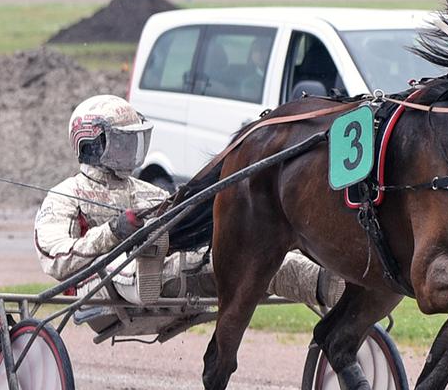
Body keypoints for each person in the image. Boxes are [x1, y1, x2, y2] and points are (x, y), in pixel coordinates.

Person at [35, 95, 339, 312]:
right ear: (93, 144)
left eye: (135, 142)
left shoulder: (147, 192)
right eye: (123, 143)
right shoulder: (64, 196)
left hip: (177, 268)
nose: (132, 152)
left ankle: (328, 284)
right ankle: (147, 263)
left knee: (253, 259)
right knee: (136, 260)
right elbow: (55, 258)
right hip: (106, 280)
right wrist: (114, 232)